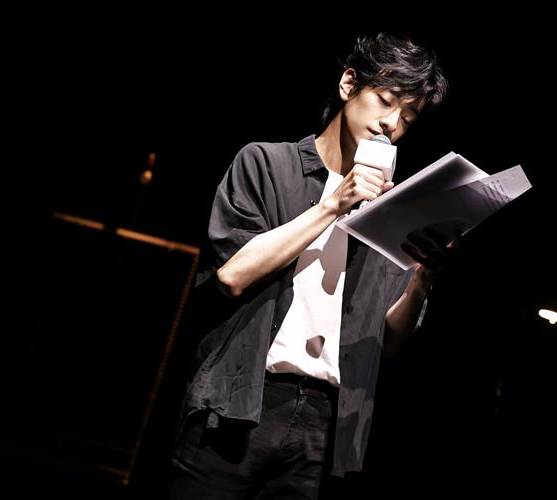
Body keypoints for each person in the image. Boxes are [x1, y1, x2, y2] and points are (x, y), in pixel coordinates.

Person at [168, 32, 454, 499]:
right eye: (386, 101)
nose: (391, 123)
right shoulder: (266, 163)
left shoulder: (391, 210)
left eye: (407, 117)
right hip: (240, 402)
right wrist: (332, 205)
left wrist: (423, 278)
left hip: (324, 422)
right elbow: (231, 276)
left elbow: (389, 343)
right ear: (348, 85)